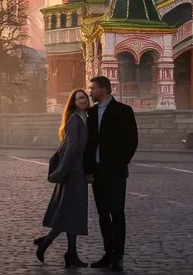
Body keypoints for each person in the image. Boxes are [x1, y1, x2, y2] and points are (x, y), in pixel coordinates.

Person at [84, 75, 138, 272]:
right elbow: (88, 145)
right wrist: (88, 170)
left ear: (104, 89)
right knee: (103, 215)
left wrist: (121, 162)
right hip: (97, 172)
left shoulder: (123, 111)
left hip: (116, 172)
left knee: (117, 213)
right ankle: (108, 253)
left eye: (93, 88)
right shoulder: (90, 113)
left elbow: (132, 140)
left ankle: (118, 256)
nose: (90, 91)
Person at [36, 89, 91, 267]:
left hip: (77, 171)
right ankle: (48, 243)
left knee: (71, 213)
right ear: (74, 102)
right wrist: (61, 172)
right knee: (70, 213)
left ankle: (70, 253)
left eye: (84, 97)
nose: (83, 100)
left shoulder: (84, 117)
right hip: (73, 173)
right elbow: (71, 148)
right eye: (79, 98)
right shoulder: (75, 119)